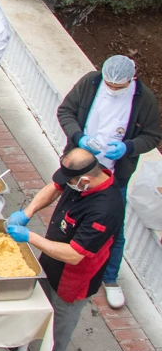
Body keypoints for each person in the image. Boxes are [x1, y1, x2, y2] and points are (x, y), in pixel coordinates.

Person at [7, 148, 128, 351]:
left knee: (61, 321)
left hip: (75, 276)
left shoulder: (105, 209)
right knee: (34, 302)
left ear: (85, 180)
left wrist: (29, 236)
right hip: (51, 257)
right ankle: (16, 342)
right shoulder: (79, 179)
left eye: (71, 182)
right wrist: (27, 212)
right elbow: (54, 187)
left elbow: (75, 255)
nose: (66, 185)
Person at [56, 55, 161, 310]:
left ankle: (110, 278)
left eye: (118, 86)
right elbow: (65, 111)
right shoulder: (90, 83)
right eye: (109, 85)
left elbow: (153, 135)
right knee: (64, 213)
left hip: (113, 175)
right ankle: (60, 257)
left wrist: (128, 147)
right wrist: (78, 137)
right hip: (81, 166)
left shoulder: (143, 99)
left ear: (132, 78)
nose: (112, 89)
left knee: (114, 229)